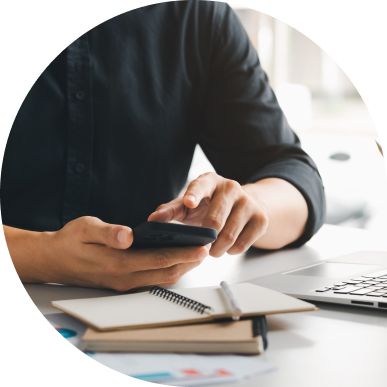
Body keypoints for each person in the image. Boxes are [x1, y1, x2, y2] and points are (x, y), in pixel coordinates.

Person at [1, 1, 325, 291]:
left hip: (145, 318)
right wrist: (43, 256)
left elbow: (297, 179)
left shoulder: (197, 15)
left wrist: (248, 204)